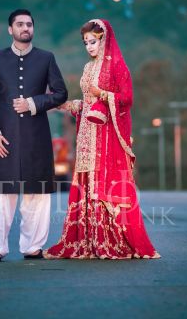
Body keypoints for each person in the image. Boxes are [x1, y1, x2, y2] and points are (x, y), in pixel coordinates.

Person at [43, 19, 160, 259]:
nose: (89, 47)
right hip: (87, 135)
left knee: (104, 184)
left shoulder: (118, 66)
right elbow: (87, 104)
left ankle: (110, 240)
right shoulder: (87, 68)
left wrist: (103, 94)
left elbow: (127, 98)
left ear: (104, 40)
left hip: (107, 137)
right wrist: (66, 105)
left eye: (93, 42)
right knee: (87, 182)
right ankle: (87, 241)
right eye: (86, 42)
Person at [0, 9, 68, 263]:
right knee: (1, 195)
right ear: (11, 29)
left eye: (29, 24)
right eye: (20, 24)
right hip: (3, 137)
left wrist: (33, 103)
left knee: (36, 194)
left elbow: (60, 93)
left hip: (36, 137)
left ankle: (33, 247)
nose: (25, 28)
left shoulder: (46, 58)